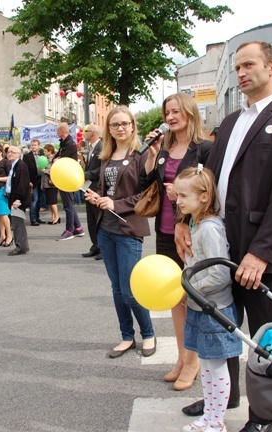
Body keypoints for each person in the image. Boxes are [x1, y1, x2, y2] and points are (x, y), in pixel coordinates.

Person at [175, 41, 272, 432]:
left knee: (266, 339)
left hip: (257, 252)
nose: (241, 73)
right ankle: (225, 396)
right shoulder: (232, 120)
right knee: (220, 329)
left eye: (249, 64)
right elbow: (204, 179)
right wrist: (184, 220)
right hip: (218, 246)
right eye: (237, 67)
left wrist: (261, 253)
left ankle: (266, 414)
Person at [140, 92, 213, 391]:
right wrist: (150, 152)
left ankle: (194, 361)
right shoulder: (164, 148)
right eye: (167, 112)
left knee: (193, 297)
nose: (170, 117)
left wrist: (182, 193)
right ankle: (183, 357)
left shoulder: (205, 148)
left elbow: (211, 190)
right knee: (174, 297)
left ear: (189, 113)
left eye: (175, 111)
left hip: (192, 231)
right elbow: (144, 183)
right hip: (166, 230)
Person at [84, 106, 156, 359]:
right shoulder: (106, 155)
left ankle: (148, 333)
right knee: (116, 288)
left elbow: (146, 193)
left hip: (128, 228)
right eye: (115, 125)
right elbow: (108, 191)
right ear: (109, 129)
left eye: (125, 123)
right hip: (106, 228)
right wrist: (99, 198)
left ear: (133, 125)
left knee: (130, 289)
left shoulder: (141, 154)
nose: (120, 128)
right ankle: (127, 336)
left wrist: (116, 204)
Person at [175, 166, 242, 432]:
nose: (178, 201)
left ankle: (215, 420)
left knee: (214, 368)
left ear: (204, 197)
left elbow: (220, 273)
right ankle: (210, 415)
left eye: (183, 195)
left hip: (214, 310)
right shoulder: (196, 222)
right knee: (206, 366)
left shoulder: (210, 229)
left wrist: (189, 288)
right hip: (201, 307)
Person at [55, 122, 85, 241]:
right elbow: (57, 156)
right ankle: (78, 228)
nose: (57, 132)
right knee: (69, 203)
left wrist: (57, 159)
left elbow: (63, 159)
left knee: (68, 205)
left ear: (63, 131)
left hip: (67, 177)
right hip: (63, 175)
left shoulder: (70, 144)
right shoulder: (63, 143)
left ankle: (69, 230)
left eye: (58, 130)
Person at [81, 124, 103, 260]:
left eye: (86, 131)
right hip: (89, 188)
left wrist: (86, 175)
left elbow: (102, 169)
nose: (83, 133)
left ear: (93, 133)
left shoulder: (101, 147)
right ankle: (95, 246)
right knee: (91, 219)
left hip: (97, 188)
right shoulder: (91, 148)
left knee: (98, 219)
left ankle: (101, 247)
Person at [6, 145, 32, 256]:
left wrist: (18, 199)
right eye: (8, 151)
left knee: (17, 223)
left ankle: (20, 246)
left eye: (13, 152)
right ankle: (23, 245)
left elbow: (22, 184)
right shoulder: (14, 166)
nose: (10, 153)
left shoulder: (20, 166)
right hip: (14, 198)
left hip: (18, 200)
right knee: (17, 222)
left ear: (18, 154)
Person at [23, 139, 46, 226]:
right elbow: (25, 170)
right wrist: (28, 181)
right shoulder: (27, 156)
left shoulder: (41, 155)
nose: (33, 147)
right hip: (33, 180)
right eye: (32, 145)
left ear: (38, 146)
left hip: (41, 180)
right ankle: (33, 219)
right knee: (34, 200)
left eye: (35, 145)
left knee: (40, 199)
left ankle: (37, 217)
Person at [40, 144, 61, 225]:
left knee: (53, 202)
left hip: (52, 184)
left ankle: (57, 216)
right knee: (49, 202)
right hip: (46, 184)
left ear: (50, 151)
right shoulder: (46, 159)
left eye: (45, 151)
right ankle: (53, 216)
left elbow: (53, 171)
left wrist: (44, 170)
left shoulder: (54, 160)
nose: (44, 152)